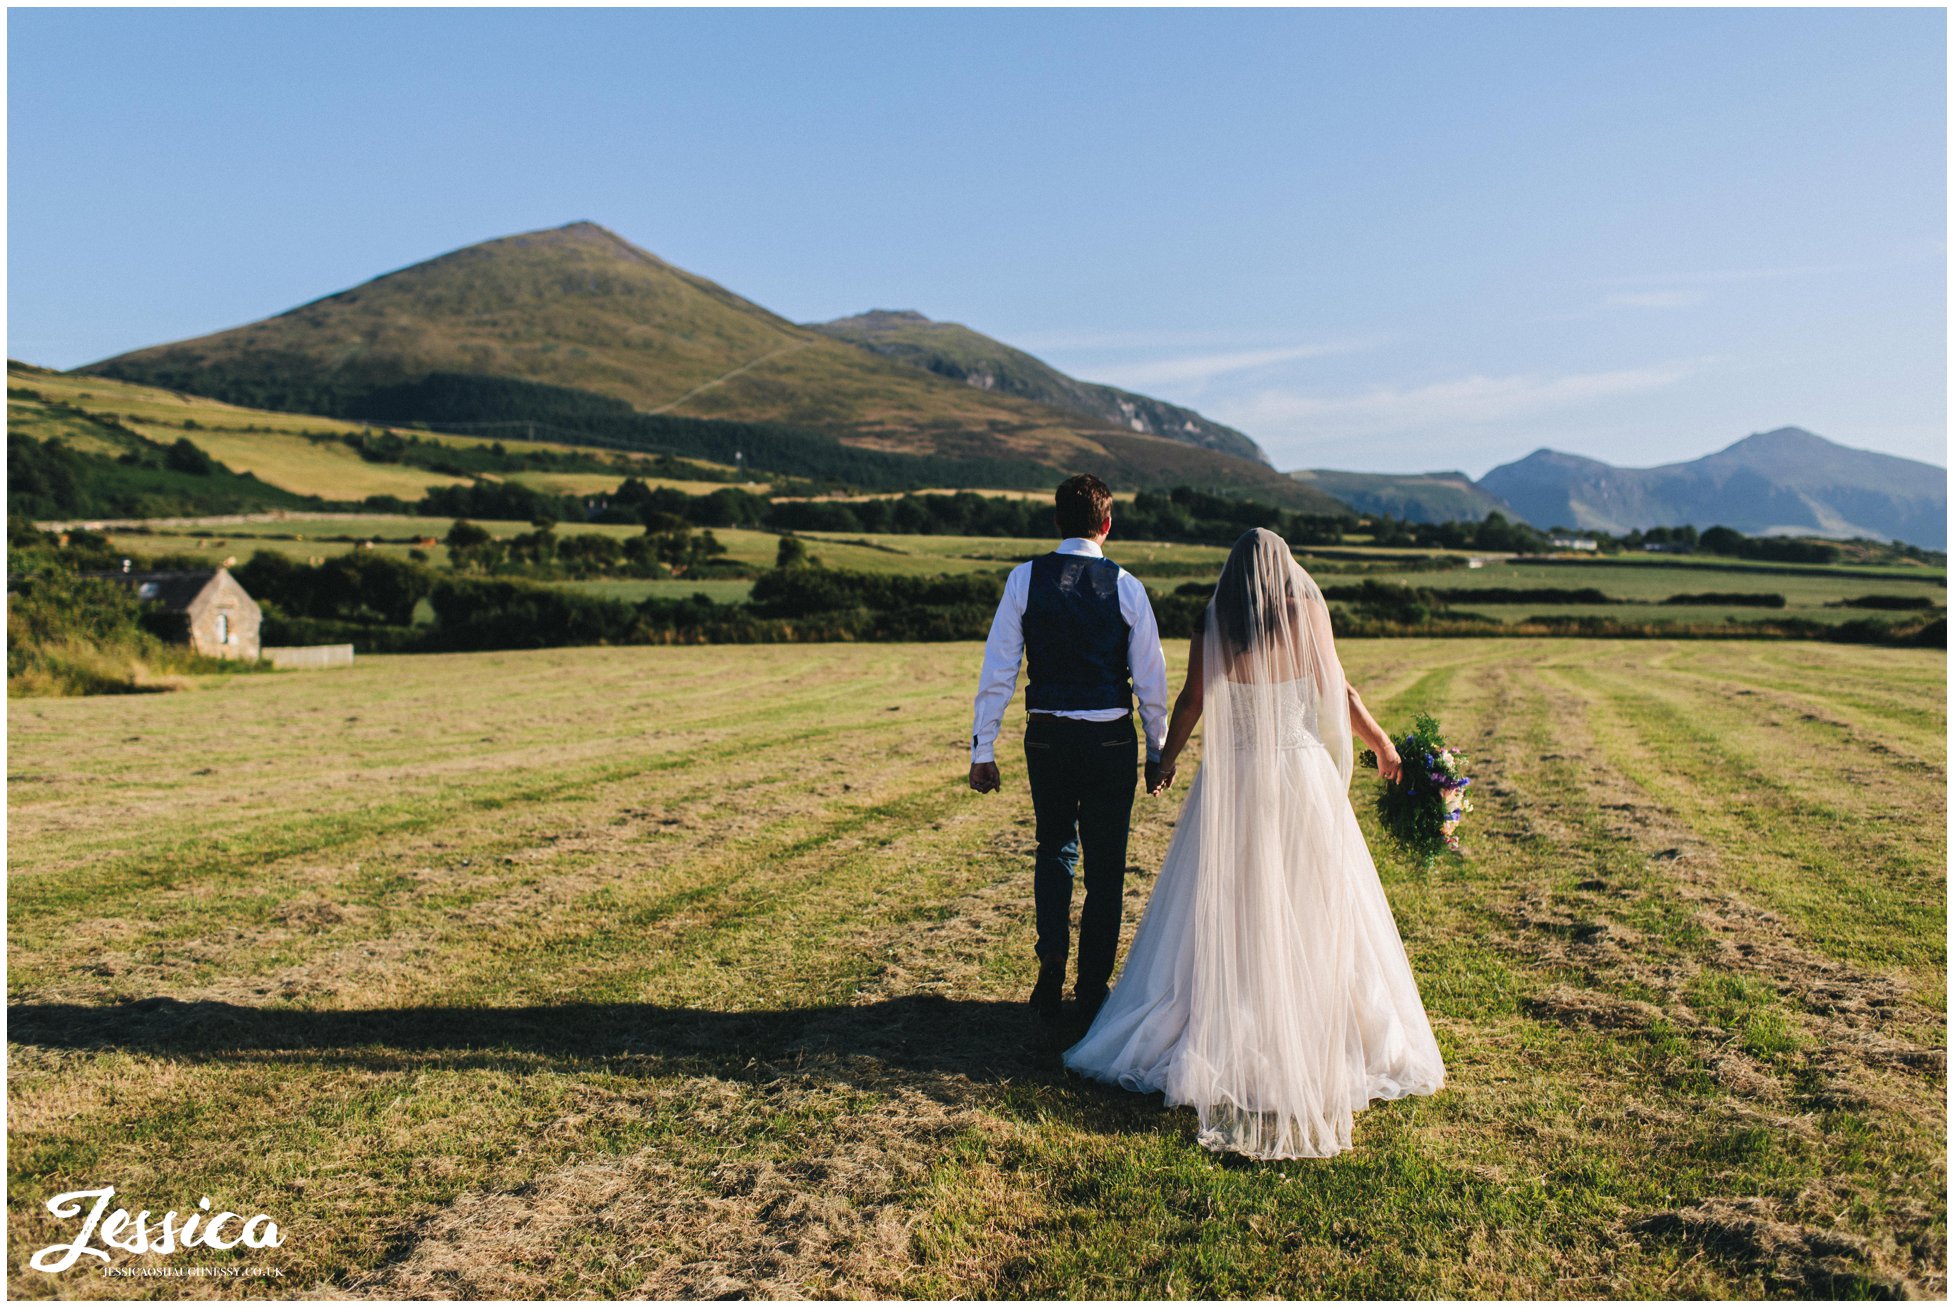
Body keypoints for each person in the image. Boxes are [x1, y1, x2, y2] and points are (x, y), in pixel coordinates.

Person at [1062, 527, 1446, 1160]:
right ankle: (1314, 1023)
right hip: (1300, 777)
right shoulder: (1307, 616)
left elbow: (1190, 702)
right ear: (1287, 571)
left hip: (1233, 782)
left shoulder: (1214, 623)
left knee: (1229, 902)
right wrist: (1382, 743)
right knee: (1311, 900)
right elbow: (1339, 692)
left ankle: (1224, 1012)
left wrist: (1164, 760)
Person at [968, 474, 1170, 1032]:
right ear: (1107, 525)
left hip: (1047, 735)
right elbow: (1151, 681)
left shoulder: (1023, 580)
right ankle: (1091, 986)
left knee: (1054, 846)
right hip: (1109, 739)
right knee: (1106, 869)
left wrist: (984, 748)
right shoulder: (1126, 585)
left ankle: (1051, 961)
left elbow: (999, 669)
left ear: (1057, 522)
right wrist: (1158, 751)